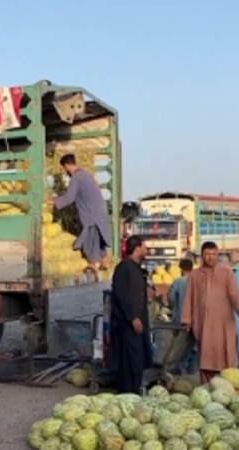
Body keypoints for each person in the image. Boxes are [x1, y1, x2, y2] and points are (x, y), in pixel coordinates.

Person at [181, 241, 239, 383]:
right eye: (207, 254)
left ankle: (227, 390)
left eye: (214, 254)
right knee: (206, 359)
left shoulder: (226, 273)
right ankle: (206, 388)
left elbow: (236, 295)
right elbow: (189, 298)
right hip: (203, 323)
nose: (211, 258)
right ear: (202, 256)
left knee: (226, 359)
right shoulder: (195, 275)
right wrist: (187, 320)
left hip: (224, 323)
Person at [52, 153, 112, 272]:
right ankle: (104, 261)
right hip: (99, 212)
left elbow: (69, 197)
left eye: (64, 168)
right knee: (98, 239)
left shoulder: (77, 177)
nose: (64, 172)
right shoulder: (85, 175)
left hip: (92, 215)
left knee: (91, 239)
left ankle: (94, 264)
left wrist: (54, 202)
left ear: (67, 165)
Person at [110, 235, 151, 394]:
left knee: (137, 362)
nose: (146, 250)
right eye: (145, 247)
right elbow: (120, 295)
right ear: (137, 248)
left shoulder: (137, 268)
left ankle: (135, 393)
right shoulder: (123, 268)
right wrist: (132, 317)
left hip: (138, 324)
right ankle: (127, 394)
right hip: (126, 326)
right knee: (128, 363)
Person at [167, 259, 197, 374]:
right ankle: (191, 371)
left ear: (181, 269)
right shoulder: (197, 281)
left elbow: (171, 299)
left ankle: (180, 371)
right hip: (195, 321)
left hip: (180, 321)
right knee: (193, 348)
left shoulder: (178, 282)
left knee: (180, 349)